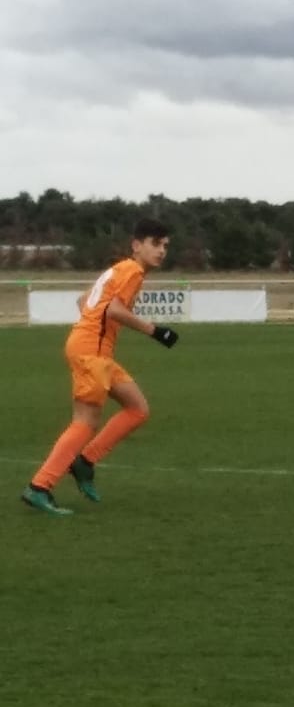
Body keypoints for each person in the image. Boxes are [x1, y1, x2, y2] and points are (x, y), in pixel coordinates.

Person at [21, 217, 180, 516]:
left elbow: (84, 301)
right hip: (91, 351)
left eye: (165, 246)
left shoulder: (119, 269)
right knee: (85, 421)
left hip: (95, 350)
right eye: (155, 244)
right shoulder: (132, 271)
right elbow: (114, 309)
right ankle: (40, 487)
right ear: (137, 245)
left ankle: (85, 462)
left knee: (138, 409)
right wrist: (156, 331)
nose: (161, 251)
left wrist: (93, 329)